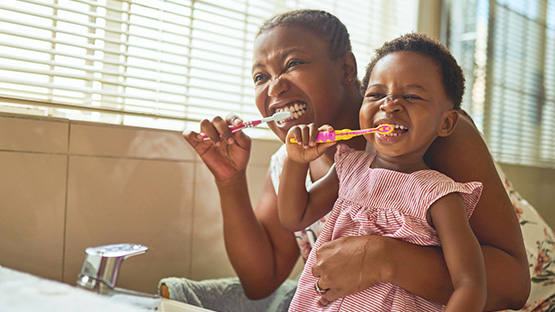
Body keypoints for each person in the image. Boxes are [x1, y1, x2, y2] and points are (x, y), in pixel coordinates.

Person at [160, 9, 529, 312]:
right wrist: (230, 180)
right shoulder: (289, 162)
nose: (274, 87)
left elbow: (514, 286)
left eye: (292, 64)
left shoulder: (430, 130)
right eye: (261, 77)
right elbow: (262, 281)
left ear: (346, 69)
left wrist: (384, 258)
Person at [278, 33, 486, 311]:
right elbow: (294, 216)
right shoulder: (350, 168)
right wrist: (296, 160)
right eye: (376, 94)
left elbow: (470, 284)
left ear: (446, 123)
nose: (389, 104)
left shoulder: (441, 195)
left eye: (412, 96)